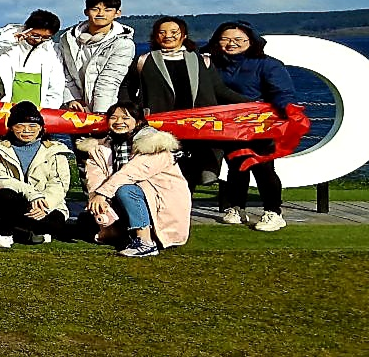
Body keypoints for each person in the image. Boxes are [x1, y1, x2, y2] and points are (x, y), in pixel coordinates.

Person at [122, 16, 244, 188]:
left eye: (174, 32)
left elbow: (220, 91)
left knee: (192, 173)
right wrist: (127, 111)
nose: (168, 36)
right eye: (162, 32)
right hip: (159, 127)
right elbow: (127, 86)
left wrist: (255, 104)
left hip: (197, 129)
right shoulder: (144, 61)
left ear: (184, 35)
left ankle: (186, 203)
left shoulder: (202, 60)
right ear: (155, 36)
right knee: (162, 172)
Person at [207, 21, 299, 232]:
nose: (231, 43)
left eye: (238, 39)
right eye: (225, 39)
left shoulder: (268, 65)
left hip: (260, 124)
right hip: (227, 125)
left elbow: (282, 92)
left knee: (263, 167)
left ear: (252, 40)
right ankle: (237, 208)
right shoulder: (210, 63)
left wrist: (289, 111)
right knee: (236, 167)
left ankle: (273, 212)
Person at [79, 101, 190, 257]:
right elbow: (94, 178)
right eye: (113, 117)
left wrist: (102, 194)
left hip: (159, 200)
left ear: (138, 121)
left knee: (126, 190)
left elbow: (131, 173)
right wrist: (98, 202)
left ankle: (145, 241)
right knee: (84, 223)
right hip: (116, 197)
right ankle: (117, 232)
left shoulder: (154, 144)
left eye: (125, 118)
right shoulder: (100, 147)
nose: (119, 122)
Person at [0, 101, 74, 249]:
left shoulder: (55, 150)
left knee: (54, 223)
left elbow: (59, 183)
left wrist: (45, 205)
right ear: (11, 127)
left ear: (41, 127)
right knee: (2, 195)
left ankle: (29, 229)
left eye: (32, 126)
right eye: (20, 126)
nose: (26, 130)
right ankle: (4, 235)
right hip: (15, 202)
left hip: (45, 205)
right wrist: (31, 194)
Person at [58, 0, 136, 114]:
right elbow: (64, 72)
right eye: (95, 9)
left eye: (108, 10)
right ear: (86, 12)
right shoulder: (68, 39)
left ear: (117, 13)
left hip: (108, 108)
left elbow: (110, 79)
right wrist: (71, 99)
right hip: (75, 108)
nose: (101, 14)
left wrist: (100, 112)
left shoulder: (123, 43)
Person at [0, 10, 68, 108]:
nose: (39, 40)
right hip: (2, 110)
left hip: (36, 113)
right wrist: (8, 40)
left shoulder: (53, 52)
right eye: (35, 35)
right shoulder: (6, 44)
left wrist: (47, 111)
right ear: (26, 28)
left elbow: (56, 87)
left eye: (45, 37)